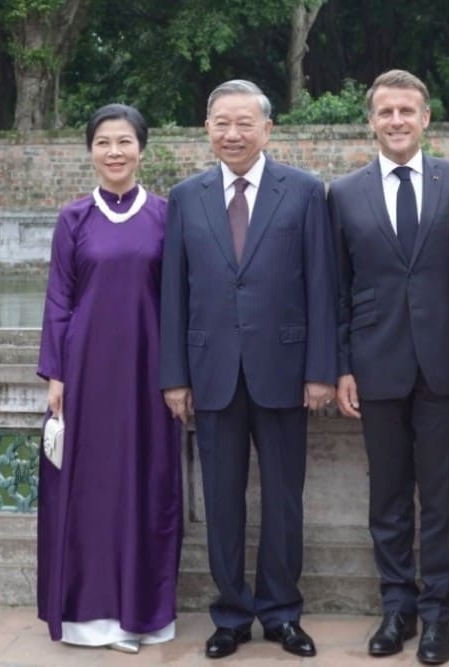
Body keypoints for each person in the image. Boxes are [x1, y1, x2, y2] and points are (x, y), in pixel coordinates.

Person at [159, 79, 337, 660]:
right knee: (222, 499)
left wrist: (321, 370)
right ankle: (231, 614)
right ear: (207, 128)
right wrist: (174, 375)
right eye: (220, 123)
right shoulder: (186, 197)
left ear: (267, 128)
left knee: (285, 499)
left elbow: (321, 286)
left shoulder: (306, 191)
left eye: (244, 123)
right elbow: (174, 296)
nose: (232, 134)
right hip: (211, 372)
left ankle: (283, 612)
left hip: (285, 370)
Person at [328, 69, 449, 665]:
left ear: (426, 118)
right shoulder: (342, 193)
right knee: (387, 499)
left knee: (443, 500)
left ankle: (439, 616)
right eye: (385, 112)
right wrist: (341, 366)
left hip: (446, 365)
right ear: (371, 121)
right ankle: (397, 610)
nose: (396, 121)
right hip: (375, 365)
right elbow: (335, 289)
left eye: (406, 111)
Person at [35, 103, 181, 655]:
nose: (114, 152)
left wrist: (178, 377)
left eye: (124, 142)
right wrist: (55, 374)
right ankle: (87, 615)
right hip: (87, 374)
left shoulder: (167, 215)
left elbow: (178, 300)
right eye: (103, 142)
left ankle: (140, 614)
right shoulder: (73, 219)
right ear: (90, 150)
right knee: (88, 491)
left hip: (149, 375)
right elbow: (58, 300)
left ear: (142, 148)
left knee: (147, 485)